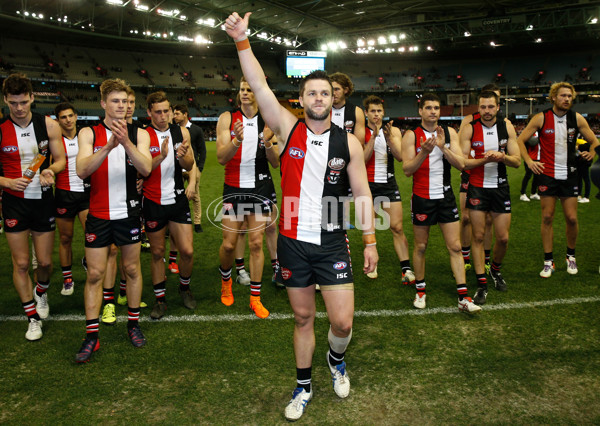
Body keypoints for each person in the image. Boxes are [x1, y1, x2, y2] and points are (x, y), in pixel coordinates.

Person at [224, 12, 378, 421]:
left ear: (333, 98)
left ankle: (336, 360)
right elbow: (257, 83)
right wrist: (242, 40)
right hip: (292, 242)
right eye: (311, 93)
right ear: (301, 99)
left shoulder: (350, 144)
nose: (317, 99)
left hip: (330, 240)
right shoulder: (288, 127)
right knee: (303, 316)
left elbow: (362, 193)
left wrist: (369, 241)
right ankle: (303, 386)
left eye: (324, 93)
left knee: (342, 323)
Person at [74, 78, 152, 363]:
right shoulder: (89, 133)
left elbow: (145, 169)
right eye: (115, 101)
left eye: (125, 101)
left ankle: (133, 324)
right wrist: (107, 146)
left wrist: (126, 142)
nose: (121, 106)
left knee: (131, 268)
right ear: (104, 104)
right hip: (98, 214)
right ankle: (91, 336)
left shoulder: (139, 133)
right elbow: (82, 170)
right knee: (94, 274)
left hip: (129, 213)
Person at [0, 73, 65, 341]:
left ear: (32, 98)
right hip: (14, 204)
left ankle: (41, 291)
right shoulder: (1, 129)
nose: (18, 108)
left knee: (46, 263)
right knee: (22, 263)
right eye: (13, 103)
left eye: (23, 102)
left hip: (43, 201)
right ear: (5, 100)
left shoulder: (48, 125)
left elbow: (60, 160)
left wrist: (50, 170)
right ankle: (33, 318)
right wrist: (6, 182)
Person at [401, 93, 480, 314]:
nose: (433, 111)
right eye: (428, 107)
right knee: (421, 246)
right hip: (422, 198)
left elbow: (462, 164)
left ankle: (463, 297)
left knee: (455, 246)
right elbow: (407, 170)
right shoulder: (411, 135)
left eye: (436, 108)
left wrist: (443, 148)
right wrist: (424, 152)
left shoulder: (450, 133)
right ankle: (420, 291)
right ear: (420, 111)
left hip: (445, 198)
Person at [516, 82, 598, 277]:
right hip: (548, 175)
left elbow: (595, 140)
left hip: (570, 174)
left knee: (571, 218)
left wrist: (592, 152)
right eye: (563, 96)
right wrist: (528, 161)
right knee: (547, 217)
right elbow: (520, 140)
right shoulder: (541, 117)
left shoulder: (576, 118)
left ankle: (571, 257)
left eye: (569, 96)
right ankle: (548, 261)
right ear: (554, 97)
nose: (567, 99)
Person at [216, 76, 279, 318]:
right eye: (241, 89)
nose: (244, 93)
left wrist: (267, 141)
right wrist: (236, 140)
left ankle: (255, 297)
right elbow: (221, 157)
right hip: (234, 187)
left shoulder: (268, 120)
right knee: (229, 244)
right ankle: (226, 281)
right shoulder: (227, 118)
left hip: (261, 187)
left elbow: (275, 163)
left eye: (249, 89)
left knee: (255, 243)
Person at [460, 91, 521, 305]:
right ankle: (481, 284)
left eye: (491, 107)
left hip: (500, 188)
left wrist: (502, 157)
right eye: (483, 107)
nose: (487, 111)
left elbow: (517, 161)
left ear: (497, 107)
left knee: (503, 238)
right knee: (477, 236)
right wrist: (484, 160)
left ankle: (495, 270)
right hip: (477, 188)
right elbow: (463, 162)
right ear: (478, 107)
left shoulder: (507, 127)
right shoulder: (470, 128)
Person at [142, 91, 196, 320]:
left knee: (187, 250)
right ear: (149, 113)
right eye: (158, 112)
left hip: (177, 199)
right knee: (157, 253)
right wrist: (162, 157)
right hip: (153, 200)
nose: (164, 116)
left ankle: (184, 288)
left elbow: (189, 163)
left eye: (167, 111)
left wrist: (182, 155)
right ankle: (160, 299)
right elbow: (142, 169)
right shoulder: (143, 136)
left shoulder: (180, 131)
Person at [362, 95, 414, 284]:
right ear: (366, 113)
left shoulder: (393, 132)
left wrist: (388, 137)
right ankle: (371, 264)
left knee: (397, 227)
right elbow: (362, 159)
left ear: (383, 113)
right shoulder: (361, 132)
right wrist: (374, 136)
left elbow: (401, 158)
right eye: (372, 111)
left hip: (389, 184)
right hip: (366, 185)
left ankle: (406, 269)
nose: (376, 115)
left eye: (379, 111)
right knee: (370, 227)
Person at [457, 84, 500, 273]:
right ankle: (464, 256)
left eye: (495, 101)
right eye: (486, 103)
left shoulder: (503, 123)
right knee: (465, 217)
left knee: (489, 219)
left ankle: (486, 257)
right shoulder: (469, 121)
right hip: (471, 174)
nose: (489, 107)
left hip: (493, 177)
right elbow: (460, 149)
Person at [54, 102, 89, 296]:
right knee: (65, 238)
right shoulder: (55, 140)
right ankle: (67, 278)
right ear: (57, 120)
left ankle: (88, 261)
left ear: (76, 116)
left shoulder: (85, 136)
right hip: (64, 193)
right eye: (63, 117)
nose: (67, 120)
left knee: (91, 234)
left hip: (85, 193)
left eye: (70, 116)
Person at [173, 104, 206, 233]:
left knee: (195, 196)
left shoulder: (196, 130)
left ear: (185, 114)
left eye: (177, 114)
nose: (175, 116)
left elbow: (202, 150)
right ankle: (177, 220)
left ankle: (197, 223)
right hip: (177, 167)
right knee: (176, 195)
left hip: (193, 168)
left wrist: (200, 168)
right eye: (174, 114)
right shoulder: (173, 130)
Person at [519, 129, 541, 201]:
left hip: (539, 158)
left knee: (537, 177)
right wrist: (542, 136)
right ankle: (522, 194)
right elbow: (532, 142)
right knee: (528, 175)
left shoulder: (538, 133)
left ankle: (533, 193)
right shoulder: (531, 133)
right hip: (530, 159)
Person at [576, 137, 592, 203]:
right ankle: (579, 194)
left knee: (586, 179)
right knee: (579, 178)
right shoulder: (583, 143)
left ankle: (586, 197)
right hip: (580, 163)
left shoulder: (586, 144)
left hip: (584, 163)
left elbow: (577, 148)